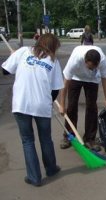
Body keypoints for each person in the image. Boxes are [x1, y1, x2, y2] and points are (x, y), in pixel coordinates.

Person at [1, 33, 63, 186]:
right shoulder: (53, 61)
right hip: (41, 105)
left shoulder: (23, 52)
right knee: (45, 138)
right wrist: (47, 99)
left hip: (21, 104)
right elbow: (55, 90)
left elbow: (5, 71)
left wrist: (12, 57)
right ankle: (51, 168)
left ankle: (34, 177)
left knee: (28, 141)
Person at [59, 45, 106, 151]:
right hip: (76, 77)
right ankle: (69, 136)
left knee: (92, 107)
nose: (92, 69)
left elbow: (105, 78)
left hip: (92, 80)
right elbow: (65, 83)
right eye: (90, 67)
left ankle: (89, 139)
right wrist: (62, 105)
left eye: (94, 68)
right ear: (85, 61)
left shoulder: (102, 60)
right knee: (72, 106)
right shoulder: (76, 60)